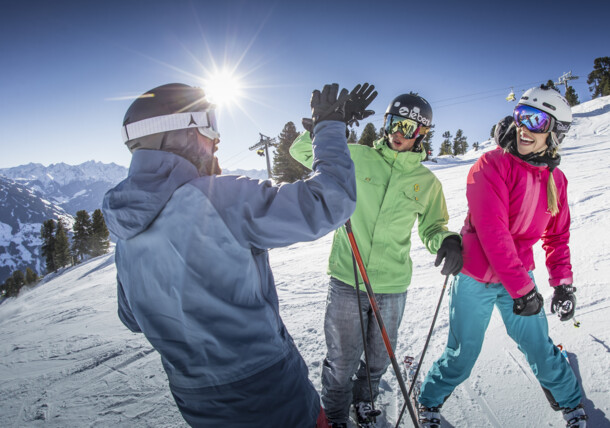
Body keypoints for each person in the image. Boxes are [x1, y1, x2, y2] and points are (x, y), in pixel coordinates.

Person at [102, 82, 378, 427]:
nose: (215, 140)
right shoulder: (218, 198)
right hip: (268, 389)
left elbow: (131, 317)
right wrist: (329, 127)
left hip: (196, 400)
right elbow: (330, 200)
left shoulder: (125, 225)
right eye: (208, 126)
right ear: (179, 132)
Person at [417, 86, 587, 428]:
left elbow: (556, 236)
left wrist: (563, 284)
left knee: (539, 347)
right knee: (463, 352)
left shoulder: (557, 180)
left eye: (536, 120)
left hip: (519, 276)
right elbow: (493, 234)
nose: (524, 127)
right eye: (521, 115)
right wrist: (523, 290)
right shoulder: (491, 164)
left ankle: (571, 404)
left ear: (555, 133)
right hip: (475, 277)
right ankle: (429, 402)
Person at [290, 93, 463, 428]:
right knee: (341, 360)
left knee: (379, 359)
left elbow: (433, 226)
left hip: (393, 285)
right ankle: (337, 417)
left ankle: (365, 402)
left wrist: (448, 241)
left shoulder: (427, 183)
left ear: (422, 133)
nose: (398, 131)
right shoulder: (355, 157)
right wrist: (328, 126)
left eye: (408, 126)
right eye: (393, 122)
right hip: (347, 278)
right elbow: (300, 151)